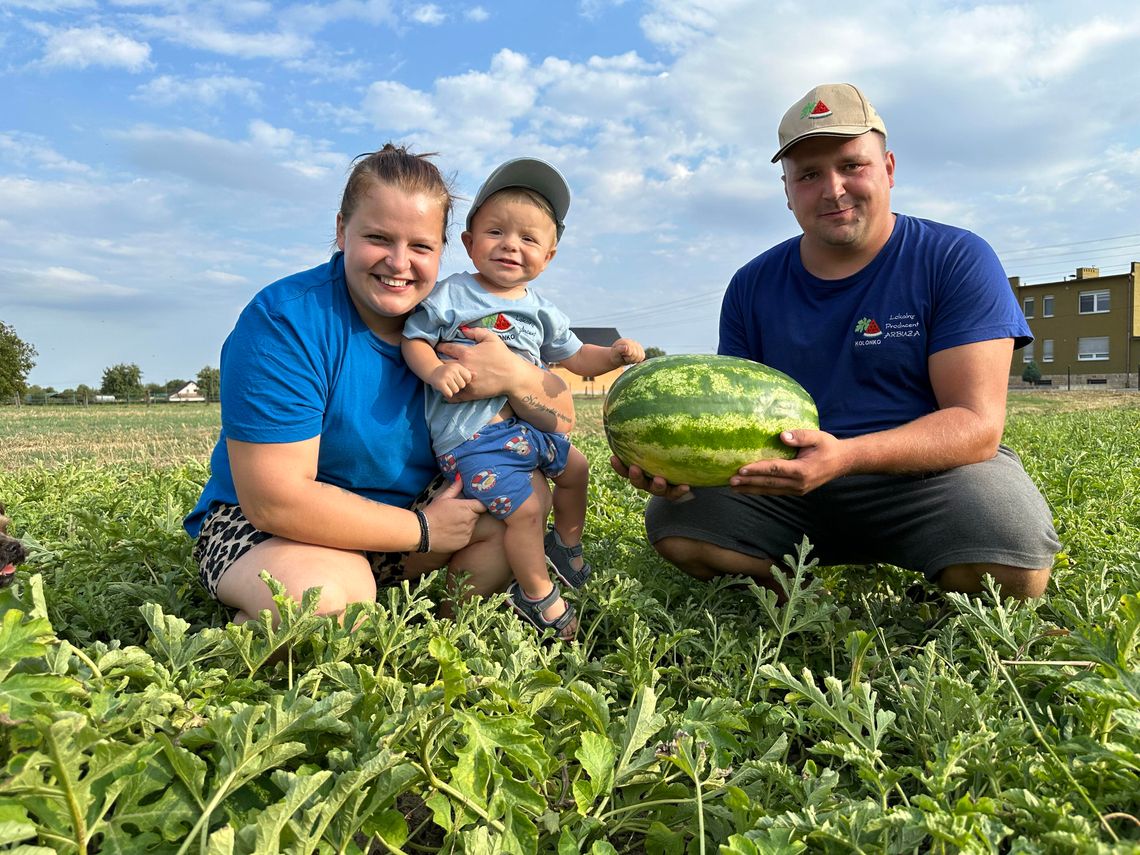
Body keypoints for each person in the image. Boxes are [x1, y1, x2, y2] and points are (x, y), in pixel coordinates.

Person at [614, 83, 1061, 600]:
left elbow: (976, 425)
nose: (832, 189)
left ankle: (941, 583)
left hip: (925, 479)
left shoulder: (955, 258)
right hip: (787, 487)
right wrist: (678, 467)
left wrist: (846, 456)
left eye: (852, 165)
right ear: (787, 191)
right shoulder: (752, 284)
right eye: (808, 175)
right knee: (677, 525)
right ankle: (801, 599)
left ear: (888, 169)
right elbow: (728, 419)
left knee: (1015, 554)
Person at [184, 144, 577, 626]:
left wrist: (516, 375)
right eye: (378, 238)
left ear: (442, 250)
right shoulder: (286, 321)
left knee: (520, 496)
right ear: (341, 230)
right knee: (328, 595)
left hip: (405, 519)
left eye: (420, 247)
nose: (398, 263)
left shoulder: (456, 319)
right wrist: (424, 529)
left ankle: (442, 637)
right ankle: (275, 618)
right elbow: (274, 500)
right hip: (272, 528)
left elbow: (563, 418)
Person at [402, 158, 645, 640]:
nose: (511, 245)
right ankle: (537, 593)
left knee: (577, 469)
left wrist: (614, 355)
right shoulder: (452, 295)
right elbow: (414, 339)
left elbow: (577, 357)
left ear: (548, 257)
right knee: (527, 511)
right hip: (471, 438)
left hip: (526, 430)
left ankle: (566, 548)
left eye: (528, 238)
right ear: (469, 243)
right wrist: (436, 369)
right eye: (496, 232)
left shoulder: (542, 311)